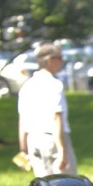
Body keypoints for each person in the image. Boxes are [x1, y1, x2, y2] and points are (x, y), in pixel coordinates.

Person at [17, 42, 77, 178]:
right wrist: (62, 151)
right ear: (49, 60)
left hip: (34, 140)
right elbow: (57, 118)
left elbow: (22, 121)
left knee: (44, 185)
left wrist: (23, 149)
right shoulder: (54, 85)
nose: (62, 61)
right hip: (53, 140)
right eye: (60, 58)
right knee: (67, 184)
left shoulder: (27, 86)